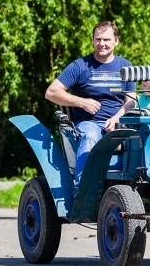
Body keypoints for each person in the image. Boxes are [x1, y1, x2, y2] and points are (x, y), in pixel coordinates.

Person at [45, 21, 136, 189]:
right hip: (89, 124)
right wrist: (81, 102)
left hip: (118, 123)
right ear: (93, 41)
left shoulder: (126, 66)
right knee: (90, 136)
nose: (102, 44)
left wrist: (117, 117)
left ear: (116, 41)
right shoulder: (80, 66)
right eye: (98, 39)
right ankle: (82, 191)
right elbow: (51, 92)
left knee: (143, 138)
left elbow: (131, 100)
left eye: (107, 39)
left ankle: (139, 190)